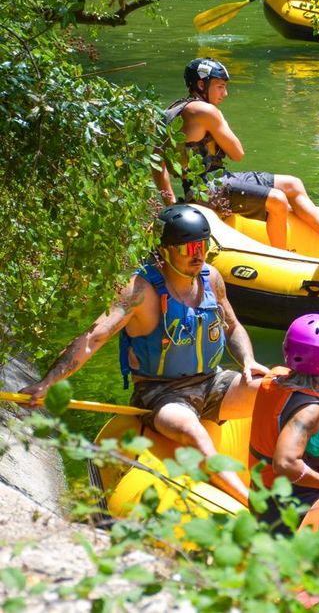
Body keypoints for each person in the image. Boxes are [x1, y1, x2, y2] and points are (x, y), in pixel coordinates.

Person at [19, 205, 267, 502]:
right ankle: (252, 504)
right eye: (188, 248)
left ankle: (281, 478)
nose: (197, 254)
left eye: (203, 245)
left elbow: (232, 326)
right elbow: (92, 339)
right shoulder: (139, 291)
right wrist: (48, 383)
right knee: (193, 431)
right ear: (164, 251)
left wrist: (249, 362)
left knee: (274, 389)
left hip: (213, 383)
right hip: (162, 394)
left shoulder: (211, 278)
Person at [155, 58, 319, 250]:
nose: (225, 93)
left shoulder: (171, 111)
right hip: (208, 189)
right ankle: (281, 254)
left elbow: (156, 161)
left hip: (211, 182)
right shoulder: (206, 111)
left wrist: (170, 201)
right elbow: (237, 153)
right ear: (201, 84)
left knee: (292, 184)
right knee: (277, 199)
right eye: (220, 86)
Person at [248, 314, 319, 535]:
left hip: (266, 501)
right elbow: (285, 463)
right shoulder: (309, 411)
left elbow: (313, 444)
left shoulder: (279, 385)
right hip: (290, 513)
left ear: (286, 349)